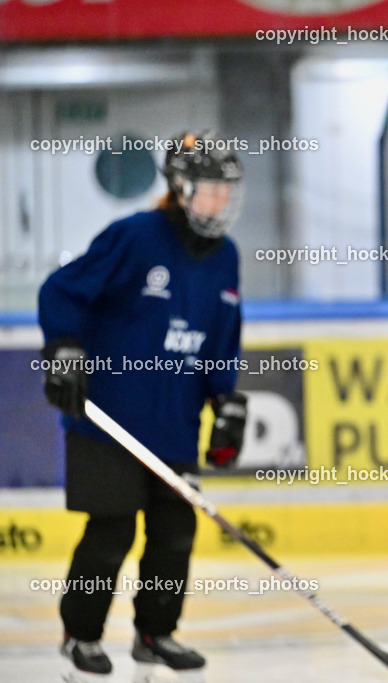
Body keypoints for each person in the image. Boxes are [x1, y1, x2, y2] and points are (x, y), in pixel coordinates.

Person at [38, 130, 248, 678]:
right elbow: (61, 291)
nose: (220, 203)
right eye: (209, 190)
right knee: (111, 532)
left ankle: (156, 634)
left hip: (173, 426)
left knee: (175, 535)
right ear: (179, 188)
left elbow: (219, 341)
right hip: (109, 422)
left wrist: (225, 403)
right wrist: (63, 346)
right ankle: (80, 635)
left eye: (227, 192)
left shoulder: (226, 258)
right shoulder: (134, 237)